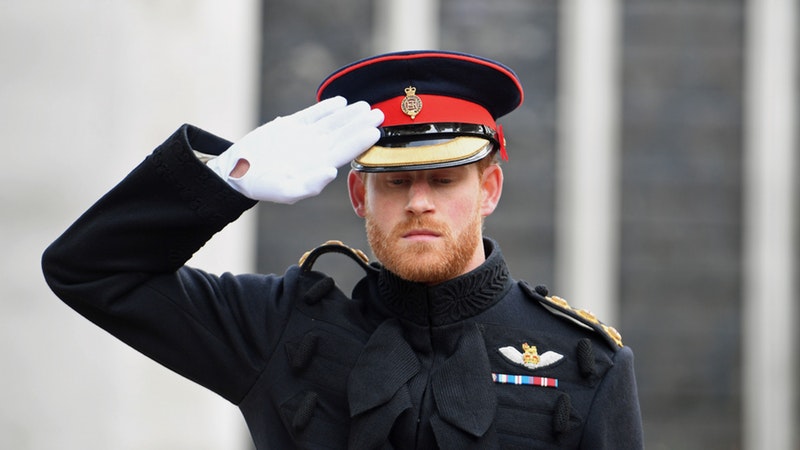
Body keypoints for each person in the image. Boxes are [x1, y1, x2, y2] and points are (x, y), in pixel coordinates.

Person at [42, 50, 643, 449]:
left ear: (489, 188)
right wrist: (227, 178)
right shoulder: (282, 328)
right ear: (359, 193)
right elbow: (88, 269)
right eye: (396, 181)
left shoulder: (586, 363)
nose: (419, 203)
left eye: (443, 179)